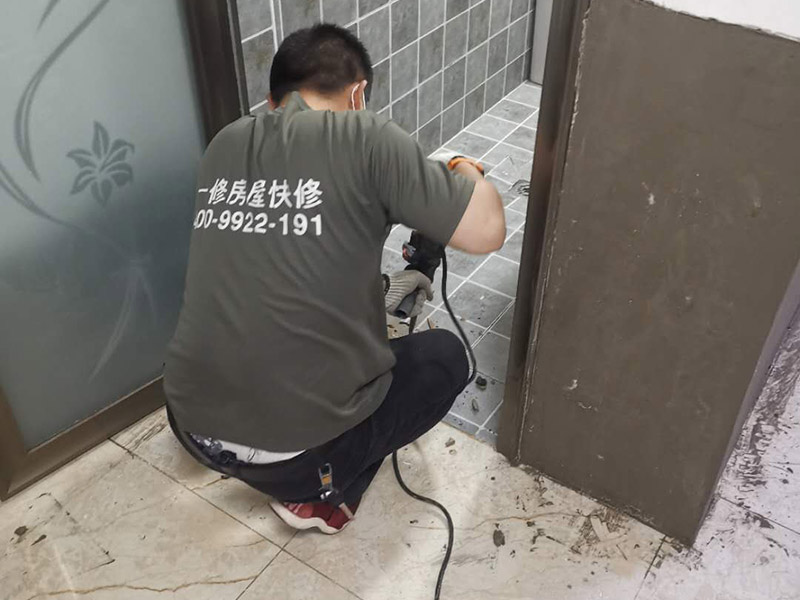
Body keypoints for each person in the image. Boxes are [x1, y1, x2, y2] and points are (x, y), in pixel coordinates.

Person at [163, 24, 505, 534]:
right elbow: (488, 230)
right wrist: (460, 166)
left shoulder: (224, 144)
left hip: (190, 425)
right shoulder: (366, 136)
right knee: (444, 358)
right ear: (358, 94)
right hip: (293, 458)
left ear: (273, 101)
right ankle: (320, 499)